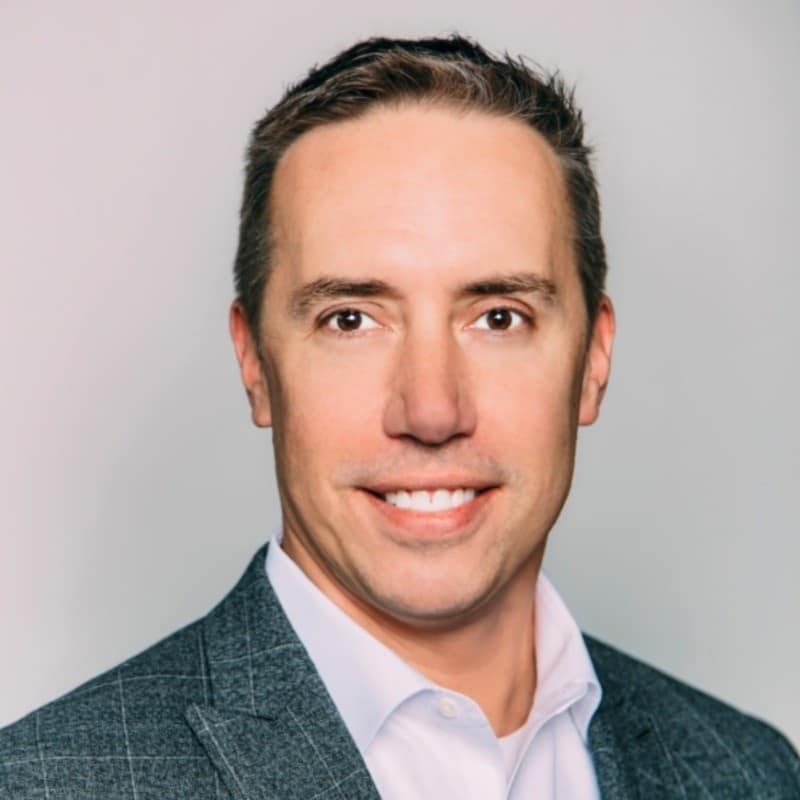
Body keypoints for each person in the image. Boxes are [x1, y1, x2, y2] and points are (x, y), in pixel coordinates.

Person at [1, 34, 797, 800]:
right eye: (350, 318)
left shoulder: (749, 772)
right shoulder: (45, 783)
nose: (431, 409)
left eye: (498, 317)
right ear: (255, 365)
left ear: (593, 360)